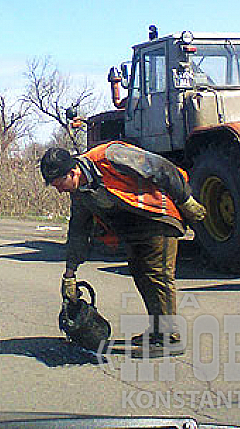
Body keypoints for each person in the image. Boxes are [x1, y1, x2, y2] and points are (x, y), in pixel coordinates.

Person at [40, 141, 217, 355]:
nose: (59, 190)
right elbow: (78, 231)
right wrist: (70, 273)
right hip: (135, 227)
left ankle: (169, 338)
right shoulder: (80, 193)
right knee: (141, 274)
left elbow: (162, 168)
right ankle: (157, 331)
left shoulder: (110, 156)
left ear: (73, 171)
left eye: (58, 182)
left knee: (157, 275)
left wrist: (185, 199)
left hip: (158, 215)